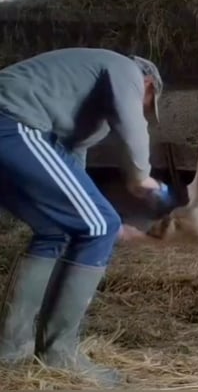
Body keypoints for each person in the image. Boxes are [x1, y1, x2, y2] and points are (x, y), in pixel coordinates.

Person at [0, 47, 173, 386]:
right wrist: (146, 181)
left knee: (58, 230)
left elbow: (69, 162)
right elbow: (135, 136)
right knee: (99, 224)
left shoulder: (82, 106)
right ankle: (59, 353)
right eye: (148, 103)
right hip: (12, 122)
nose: (142, 109)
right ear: (149, 84)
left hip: (13, 129)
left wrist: (101, 222)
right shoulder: (124, 70)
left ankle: (10, 348)